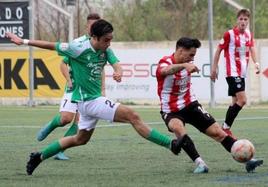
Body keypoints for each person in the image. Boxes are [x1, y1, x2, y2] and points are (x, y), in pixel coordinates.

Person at [6, 19, 182, 176]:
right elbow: (52, 45)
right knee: (132, 115)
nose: (109, 43)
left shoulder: (105, 49)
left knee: (79, 139)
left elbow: (116, 64)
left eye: (111, 39)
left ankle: (39, 156)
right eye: (106, 40)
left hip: (89, 103)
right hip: (89, 101)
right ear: (95, 38)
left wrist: (118, 72)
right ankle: (171, 144)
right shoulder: (78, 48)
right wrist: (24, 42)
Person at [156, 37, 263, 173]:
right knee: (179, 130)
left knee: (218, 132)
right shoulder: (165, 62)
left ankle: (248, 161)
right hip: (171, 111)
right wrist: (183, 66)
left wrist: (187, 64)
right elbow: (165, 71)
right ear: (181, 51)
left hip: (191, 105)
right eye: (191, 55)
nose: (192, 59)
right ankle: (200, 164)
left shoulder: (188, 62)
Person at [36, 13, 109, 161]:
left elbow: (100, 68)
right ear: (87, 26)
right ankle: (51, 125)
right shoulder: (78, 44)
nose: (94, 27)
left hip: (89, 92)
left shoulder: (102, 44)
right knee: (65, 119)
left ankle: (60, 150)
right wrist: (69, 80)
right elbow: (63, 63)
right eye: (91, 25)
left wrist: (103, 88)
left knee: (79, 122)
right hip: (74, 86)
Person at [211, 9, 260, 137]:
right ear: (237, 20)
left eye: (245, 19)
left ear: (248, 21)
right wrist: (214, 68)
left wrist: (256, 63)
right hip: (232, 72)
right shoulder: (229, 34)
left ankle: (226, 129)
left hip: (241, 73)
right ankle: (225, 128)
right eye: (241, 19)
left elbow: (252, 48)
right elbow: (218, 50)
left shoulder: (249, 34)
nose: (243, 21)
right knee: (243, 100)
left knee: (234, 102)